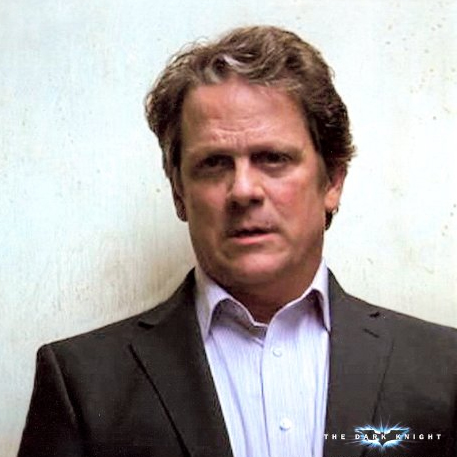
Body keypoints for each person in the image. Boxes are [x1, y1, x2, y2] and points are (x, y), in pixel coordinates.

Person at [18, 25, 457, 457]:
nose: (243, 190)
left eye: (273, 158)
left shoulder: (443, 368)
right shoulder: (84, 383)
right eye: (214, 163)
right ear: (178, 192)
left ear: (332, 181)